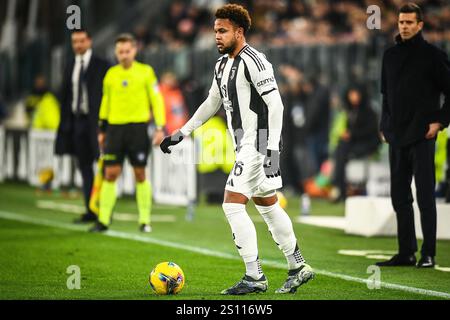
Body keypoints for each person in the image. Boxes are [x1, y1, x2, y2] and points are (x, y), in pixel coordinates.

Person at [160, 4, 314, 295]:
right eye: (215, 30)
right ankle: (298, 266)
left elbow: (276, 105)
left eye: (223, 31)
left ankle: (254, 276)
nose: (216, 36)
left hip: (258, 143)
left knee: (231, 203)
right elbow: (211, 103)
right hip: (246, 143)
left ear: (239, 32)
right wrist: (182, 132)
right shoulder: (221, 65)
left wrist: (271, 149)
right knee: (267, 204)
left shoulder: (255, 61)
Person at [377, 3, 450, 268]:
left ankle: (428, 252)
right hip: (396, 136)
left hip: (422, 136)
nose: (404, 26)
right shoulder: (390, 56)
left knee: (425, 196)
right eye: (401, 22)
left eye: (409, 22)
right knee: (399, 196)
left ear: (420, 25)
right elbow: (385, 97)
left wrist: (439, 122)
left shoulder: (434, 56)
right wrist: (384, 125)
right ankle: (406, 252)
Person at [89, 33, 166, 233]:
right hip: (115, 129)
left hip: (138, 129)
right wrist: (102, 129)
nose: (124, 55)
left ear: (134, 50)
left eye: (127, 51)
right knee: (110, 173)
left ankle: (144, 220)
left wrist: (160, 127)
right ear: (116, 53)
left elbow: (156, 100)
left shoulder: (146, 72)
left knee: (140, 173)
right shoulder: (111, 74)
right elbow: (106, 102)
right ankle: (103, 220)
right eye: (120, 52)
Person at [55, 29, 110, 223]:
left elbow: (108, 95)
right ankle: (90, 210)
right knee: (84, 167)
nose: (77, 45)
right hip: (77, 122)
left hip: (96, 123)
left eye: (81, 41)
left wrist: (105, 123)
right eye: (74, 41)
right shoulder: (71, 64)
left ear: (90, 41)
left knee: (103, 166)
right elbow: (66, 95)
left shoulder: (102, 65)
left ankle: (104, 210)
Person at [329, 85, 380, 202]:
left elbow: (370, 131)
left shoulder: (369, 111)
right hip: (354, 144)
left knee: (342, 150)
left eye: (355, 94)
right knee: (340, 148)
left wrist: (351, 134)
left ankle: (339, 188)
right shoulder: (350, 111)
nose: (353, 97)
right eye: (351, 94)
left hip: (368, 144)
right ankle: (340, 187)